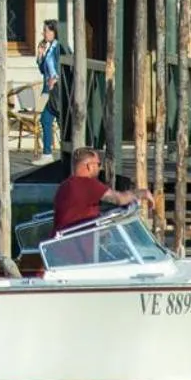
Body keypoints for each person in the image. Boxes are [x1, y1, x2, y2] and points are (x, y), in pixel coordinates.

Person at [52, 146, 147, 235]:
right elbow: (119, 199)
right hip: (77, 246)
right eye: (98, 164)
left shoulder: (64, 185)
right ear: (89, 166)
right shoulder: (87, 184)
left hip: (62, 241)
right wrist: (142, 193)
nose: (100, 168)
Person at [33, 20, 64, 166]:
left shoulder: (59, 48)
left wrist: (56, 79)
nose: (43, 33)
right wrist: (40, 56)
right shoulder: (49, 48)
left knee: (59, 120)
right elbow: (42, 70)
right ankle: (47, 153)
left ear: (53, 32)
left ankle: (59, 152)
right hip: (48, 90)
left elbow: (64, 66)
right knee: (46, 119)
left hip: (57, 90)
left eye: (46, 30)